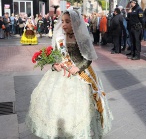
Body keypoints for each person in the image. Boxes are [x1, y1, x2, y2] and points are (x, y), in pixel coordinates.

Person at [25, 9, 113, 139]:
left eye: (67, 21)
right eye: (62, 21)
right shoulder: (59, 37)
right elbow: (56, 54)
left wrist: (78, 68)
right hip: (60, 75)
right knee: (56, 106)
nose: (64, 24)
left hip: (80, 75)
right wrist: (55, 64)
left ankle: (77, 132)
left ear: (75, 22)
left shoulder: (82, 37)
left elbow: (88, 58)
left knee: (78, 109)